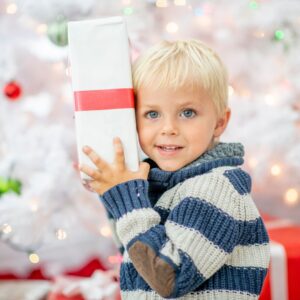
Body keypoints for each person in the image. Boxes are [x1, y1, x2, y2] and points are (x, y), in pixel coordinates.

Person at [79, 39, 270, 300]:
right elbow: (136, 256)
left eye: (187, 113)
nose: (168, 128)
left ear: (219, 122)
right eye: (152, 114)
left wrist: (126, 198)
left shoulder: (215, 187)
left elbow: (169, 277)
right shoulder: (165, 185)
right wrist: (111, 192)